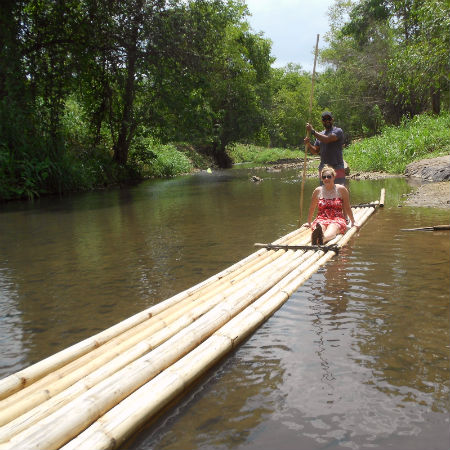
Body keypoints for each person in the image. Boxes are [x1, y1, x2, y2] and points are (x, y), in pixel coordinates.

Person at [303, 165, 359, 245]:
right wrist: (309, 222)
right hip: (321, 218)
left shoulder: (341, 189)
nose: (326, 179)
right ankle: (318, 235)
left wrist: (353, 221)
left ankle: (323, 238)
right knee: (320, 227)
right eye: (324, 177)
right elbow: (312, 208)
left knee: (332, 227)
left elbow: (347, 207)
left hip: (337, 218)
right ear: (321, 178)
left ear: (333, 177)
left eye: (329, 176)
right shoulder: (317, 191)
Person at [303, 111, 346, 185]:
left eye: (329, 119)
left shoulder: (338, 131)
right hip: (323, 168)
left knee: (339, 192)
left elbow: (327, 139)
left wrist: (313, 131)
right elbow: (315, 151)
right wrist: (308, 144)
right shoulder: (320, 135)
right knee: (324, 193)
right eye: (324, 119)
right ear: (322, 121)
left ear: (332, 119)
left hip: (337, 167)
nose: (327, 121)